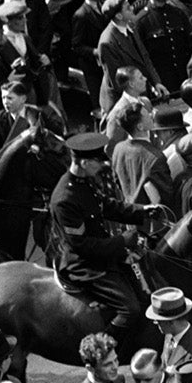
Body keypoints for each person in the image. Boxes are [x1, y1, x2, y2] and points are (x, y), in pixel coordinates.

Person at [50, 130, 160, 339]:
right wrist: (122, 241)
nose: (102, 165)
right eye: (97, 161)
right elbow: (81, 245)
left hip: (103, 251)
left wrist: (141, 211)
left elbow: (105, 206)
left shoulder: (84, 181)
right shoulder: (65, 198)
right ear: (82, 163)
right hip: (84, 265)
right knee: (130, 309)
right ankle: (103, 348)